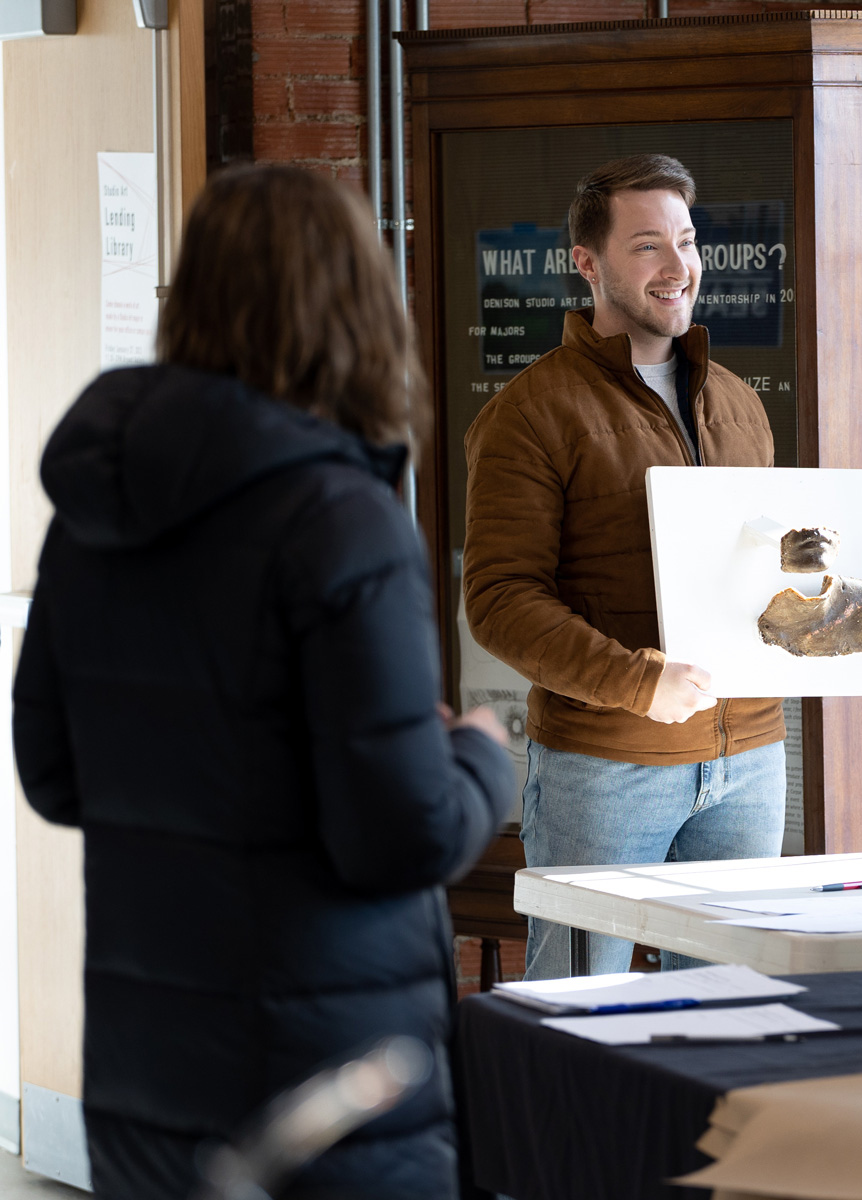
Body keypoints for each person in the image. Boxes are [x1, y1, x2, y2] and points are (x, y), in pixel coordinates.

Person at [13, 165, 517, 1198]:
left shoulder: (94, 516)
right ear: (356, 302)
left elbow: (55, 773)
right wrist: (477, 753)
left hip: (150, 1079)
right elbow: (399, 833)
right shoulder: (339, 518)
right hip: (323, 1089)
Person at [463, 154, 862, 980]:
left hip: (751, 757)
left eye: (686, 240)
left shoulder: (738, 399)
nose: (678, 266)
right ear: (588, 263)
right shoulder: (528, 414)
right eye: (647, 245)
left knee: (731, 1003)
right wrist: (635, 680)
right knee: (582, 1007)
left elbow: (770, 562)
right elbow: (501, 601)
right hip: (607, 766)